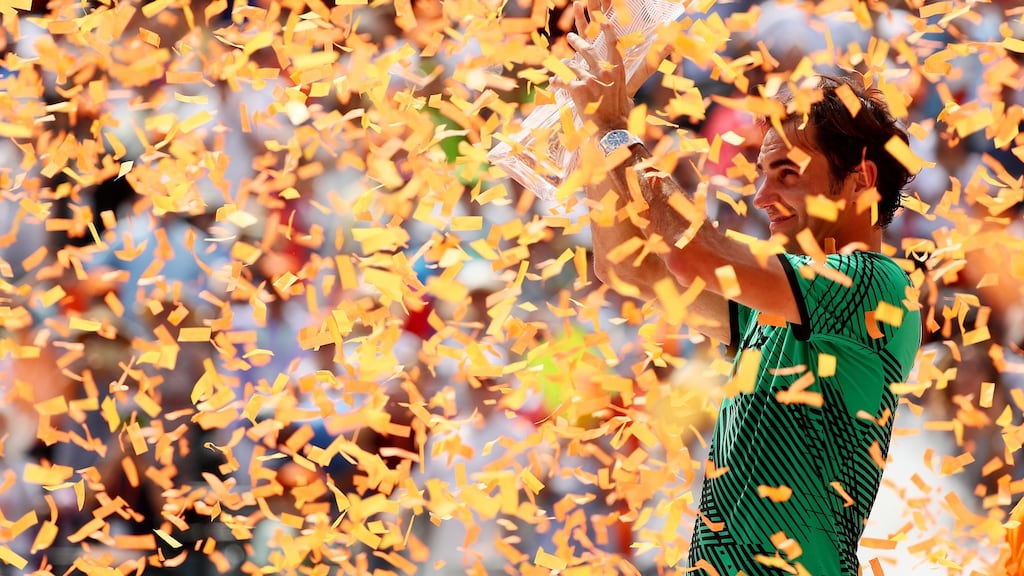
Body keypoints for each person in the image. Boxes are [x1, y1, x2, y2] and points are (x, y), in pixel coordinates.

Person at [556, 3, 923, 574]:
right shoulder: (777, 308)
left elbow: (693, 254)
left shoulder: (874, 285)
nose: (759, 197)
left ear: (861, 180)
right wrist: (591, 138)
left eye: (787, 175)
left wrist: (613, 130)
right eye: (760, 173)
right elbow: (628, 269)